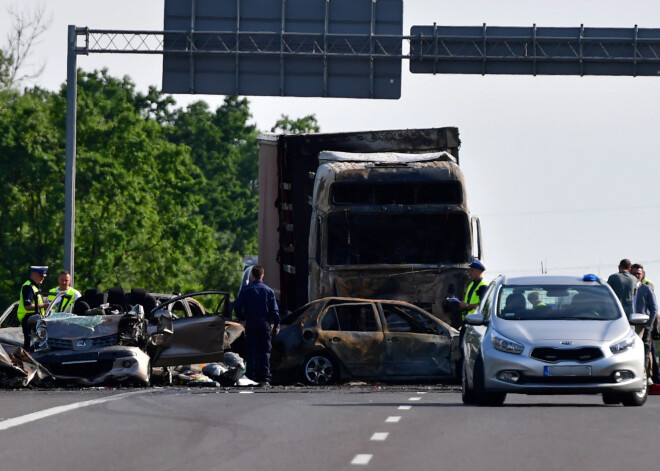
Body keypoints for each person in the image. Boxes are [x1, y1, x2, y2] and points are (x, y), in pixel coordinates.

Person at [233, 265, 280, 386]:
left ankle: (251, 377)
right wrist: (277, 325)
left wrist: (244, 318)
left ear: (252, 276)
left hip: (251, 323)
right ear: (262, 275)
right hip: (265, 324)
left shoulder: (246, 290)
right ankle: (264, 378)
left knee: (251, 350)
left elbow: (237, 307)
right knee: (265, 351)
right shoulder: (269, 291)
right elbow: (275, 311)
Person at [632, 264, 660, 384]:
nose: (636, 276)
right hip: (627, 326)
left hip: (642, 326)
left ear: (642, 275)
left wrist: (649, 325)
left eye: (638, 273)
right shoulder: (626, 289)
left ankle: (646, 377)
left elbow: (654, 309)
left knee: (646, 351)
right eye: (634, 274)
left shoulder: (646, 288)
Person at [17, 265, 50, 349]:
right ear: (34, 274)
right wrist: (44, 305)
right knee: (31, 347)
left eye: (44, 276)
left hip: (35, 320)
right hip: (29, 320)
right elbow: (27, 306)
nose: (43, 278)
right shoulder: (28, 287)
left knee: (37, 346)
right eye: (41, 276)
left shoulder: (35, 287)